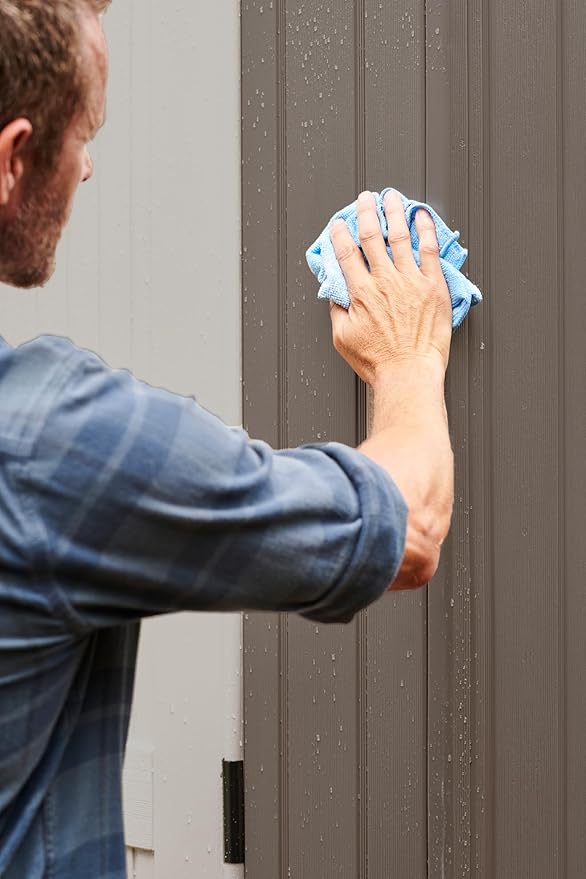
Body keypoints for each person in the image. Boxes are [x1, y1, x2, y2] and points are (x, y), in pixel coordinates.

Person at [0, 1, 454, 876]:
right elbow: (409, 526)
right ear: (13, 157)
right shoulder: (49, 443)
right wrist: (408, 359)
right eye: (83, 133)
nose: (88, 165)